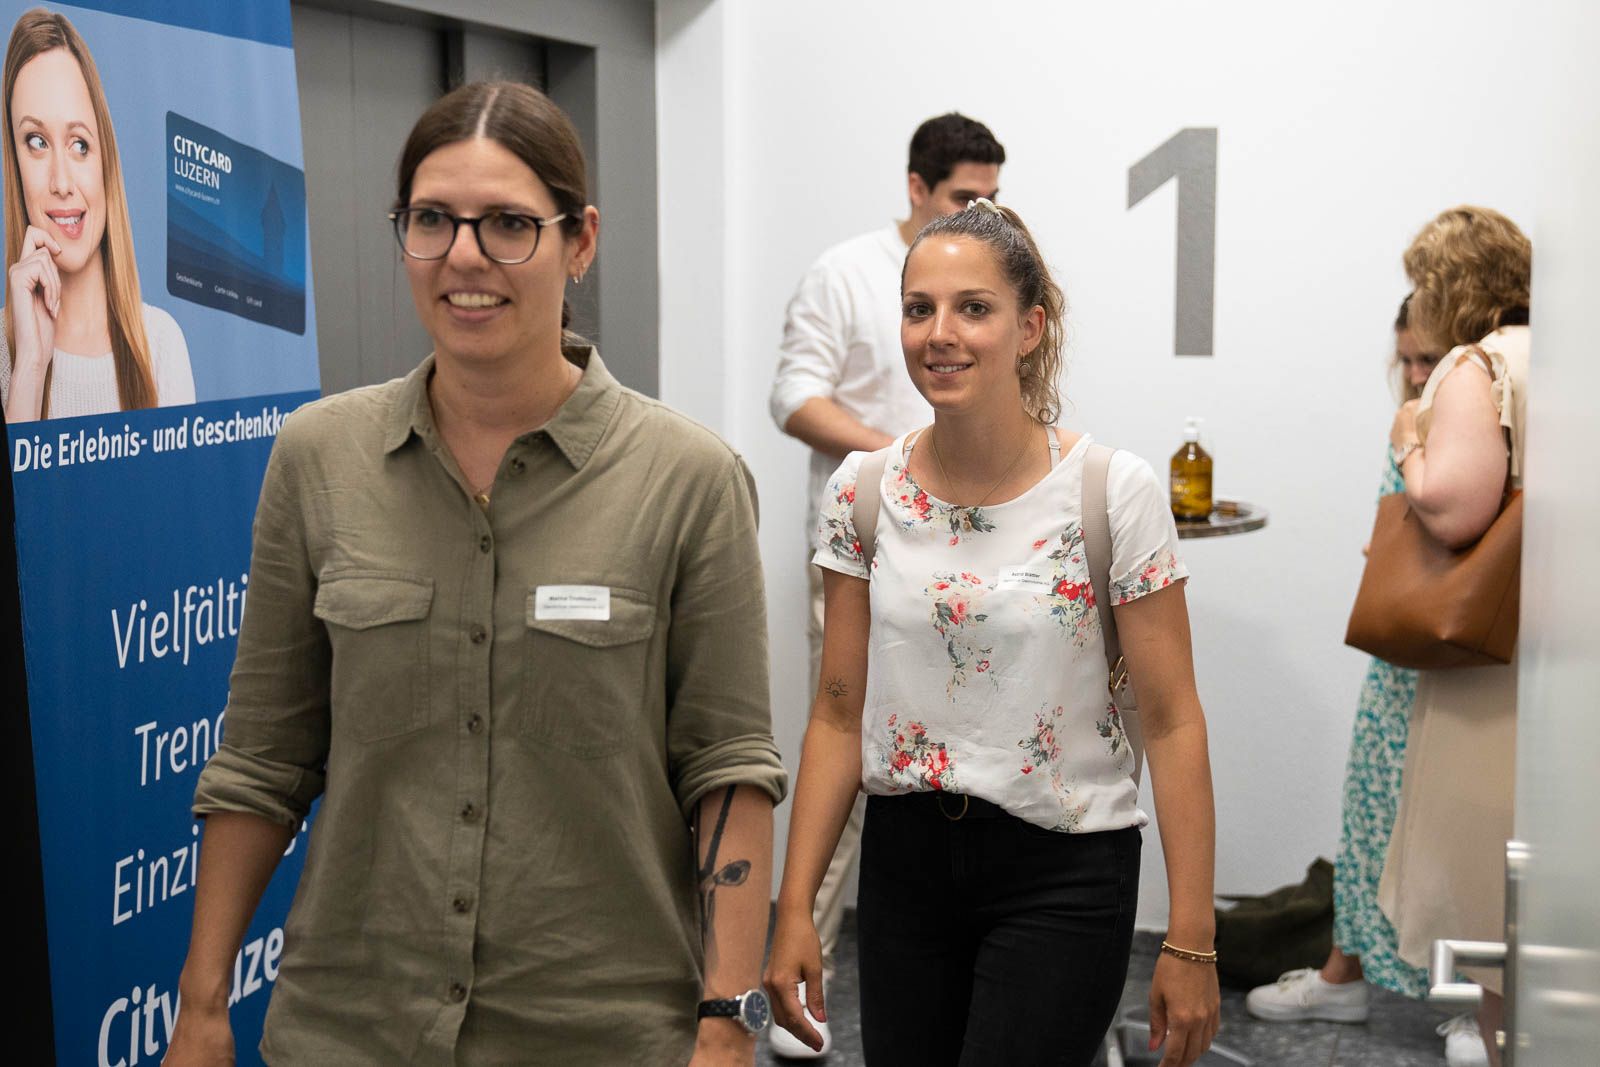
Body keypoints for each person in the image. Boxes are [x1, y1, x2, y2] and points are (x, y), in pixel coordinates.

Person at [164, 81, 786, 1066]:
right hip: (350, 1030)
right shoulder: (319, 458)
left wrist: (726, 1025)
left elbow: (729, 768)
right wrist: (201, 1005)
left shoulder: (688, 480)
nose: (463, 255)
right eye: (432, 220)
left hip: (598, 1036)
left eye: (507, 224)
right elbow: (263, 758)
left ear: (580, 241)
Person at [765, 200, 1220, 1067]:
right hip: (905, 866)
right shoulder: (863, 491)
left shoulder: (1111, 490)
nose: (941, 333)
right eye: (919, 308)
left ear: (1030, 328)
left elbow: (1172, 721)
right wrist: (795, 908)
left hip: (1065, 868)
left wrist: (1192, 937)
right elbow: (836, 711)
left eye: (973, 308)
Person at [765, 111, 1003, 1059]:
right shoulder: (846, 273)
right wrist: (908, 460)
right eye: (964, 196)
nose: (983, 211)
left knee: (959, 760)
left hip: (973, 562)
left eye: (994, 196)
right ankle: (805, 971)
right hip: (865, 555)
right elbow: (795, 397)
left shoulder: (995, 278)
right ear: (915, 189)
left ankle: (970, 968)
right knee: (852, 753)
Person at [1246, 296, 1489, 1064]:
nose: (1413, 374)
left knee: (1456, 834)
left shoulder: (1467, 422)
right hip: (1404, 647)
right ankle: (1343, 971)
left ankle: (1472, 1001)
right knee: (1370, 809)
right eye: (1405, 359)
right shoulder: (1423, 417)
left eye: (1427, 359)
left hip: (1459, 656)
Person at [1377, 206, 1530, 1067]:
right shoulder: (1562, 355)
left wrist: (1411, 445)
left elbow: (1452, 505)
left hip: (1490, 668)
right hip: (1554, 656)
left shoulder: (1481, 365)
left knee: (1494, 909)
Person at [0, 8, 192, 422]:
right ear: (14, 164)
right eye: (36, 142)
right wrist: (30, 368)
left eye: (79, 144)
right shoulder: (3, 352)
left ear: (106, 160)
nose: (62, 182)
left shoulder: (161, 344)